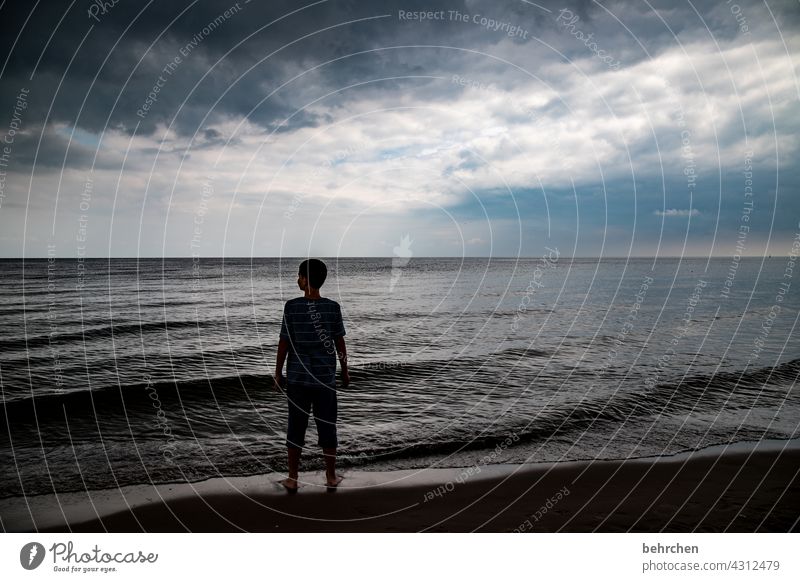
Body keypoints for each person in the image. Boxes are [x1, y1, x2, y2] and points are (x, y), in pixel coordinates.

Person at [274, 258, 350, 492]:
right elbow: (340, 344)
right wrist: (345, 371)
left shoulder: (292, 306)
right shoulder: (332, 307)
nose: (297, 279)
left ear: (306, 280)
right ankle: (330, 476)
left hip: (297, 379)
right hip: (325, 379)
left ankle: (293, 478)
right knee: (327, 425)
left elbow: (284, 343)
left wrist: (278, 373)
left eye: (299, 275)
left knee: (295, 427)